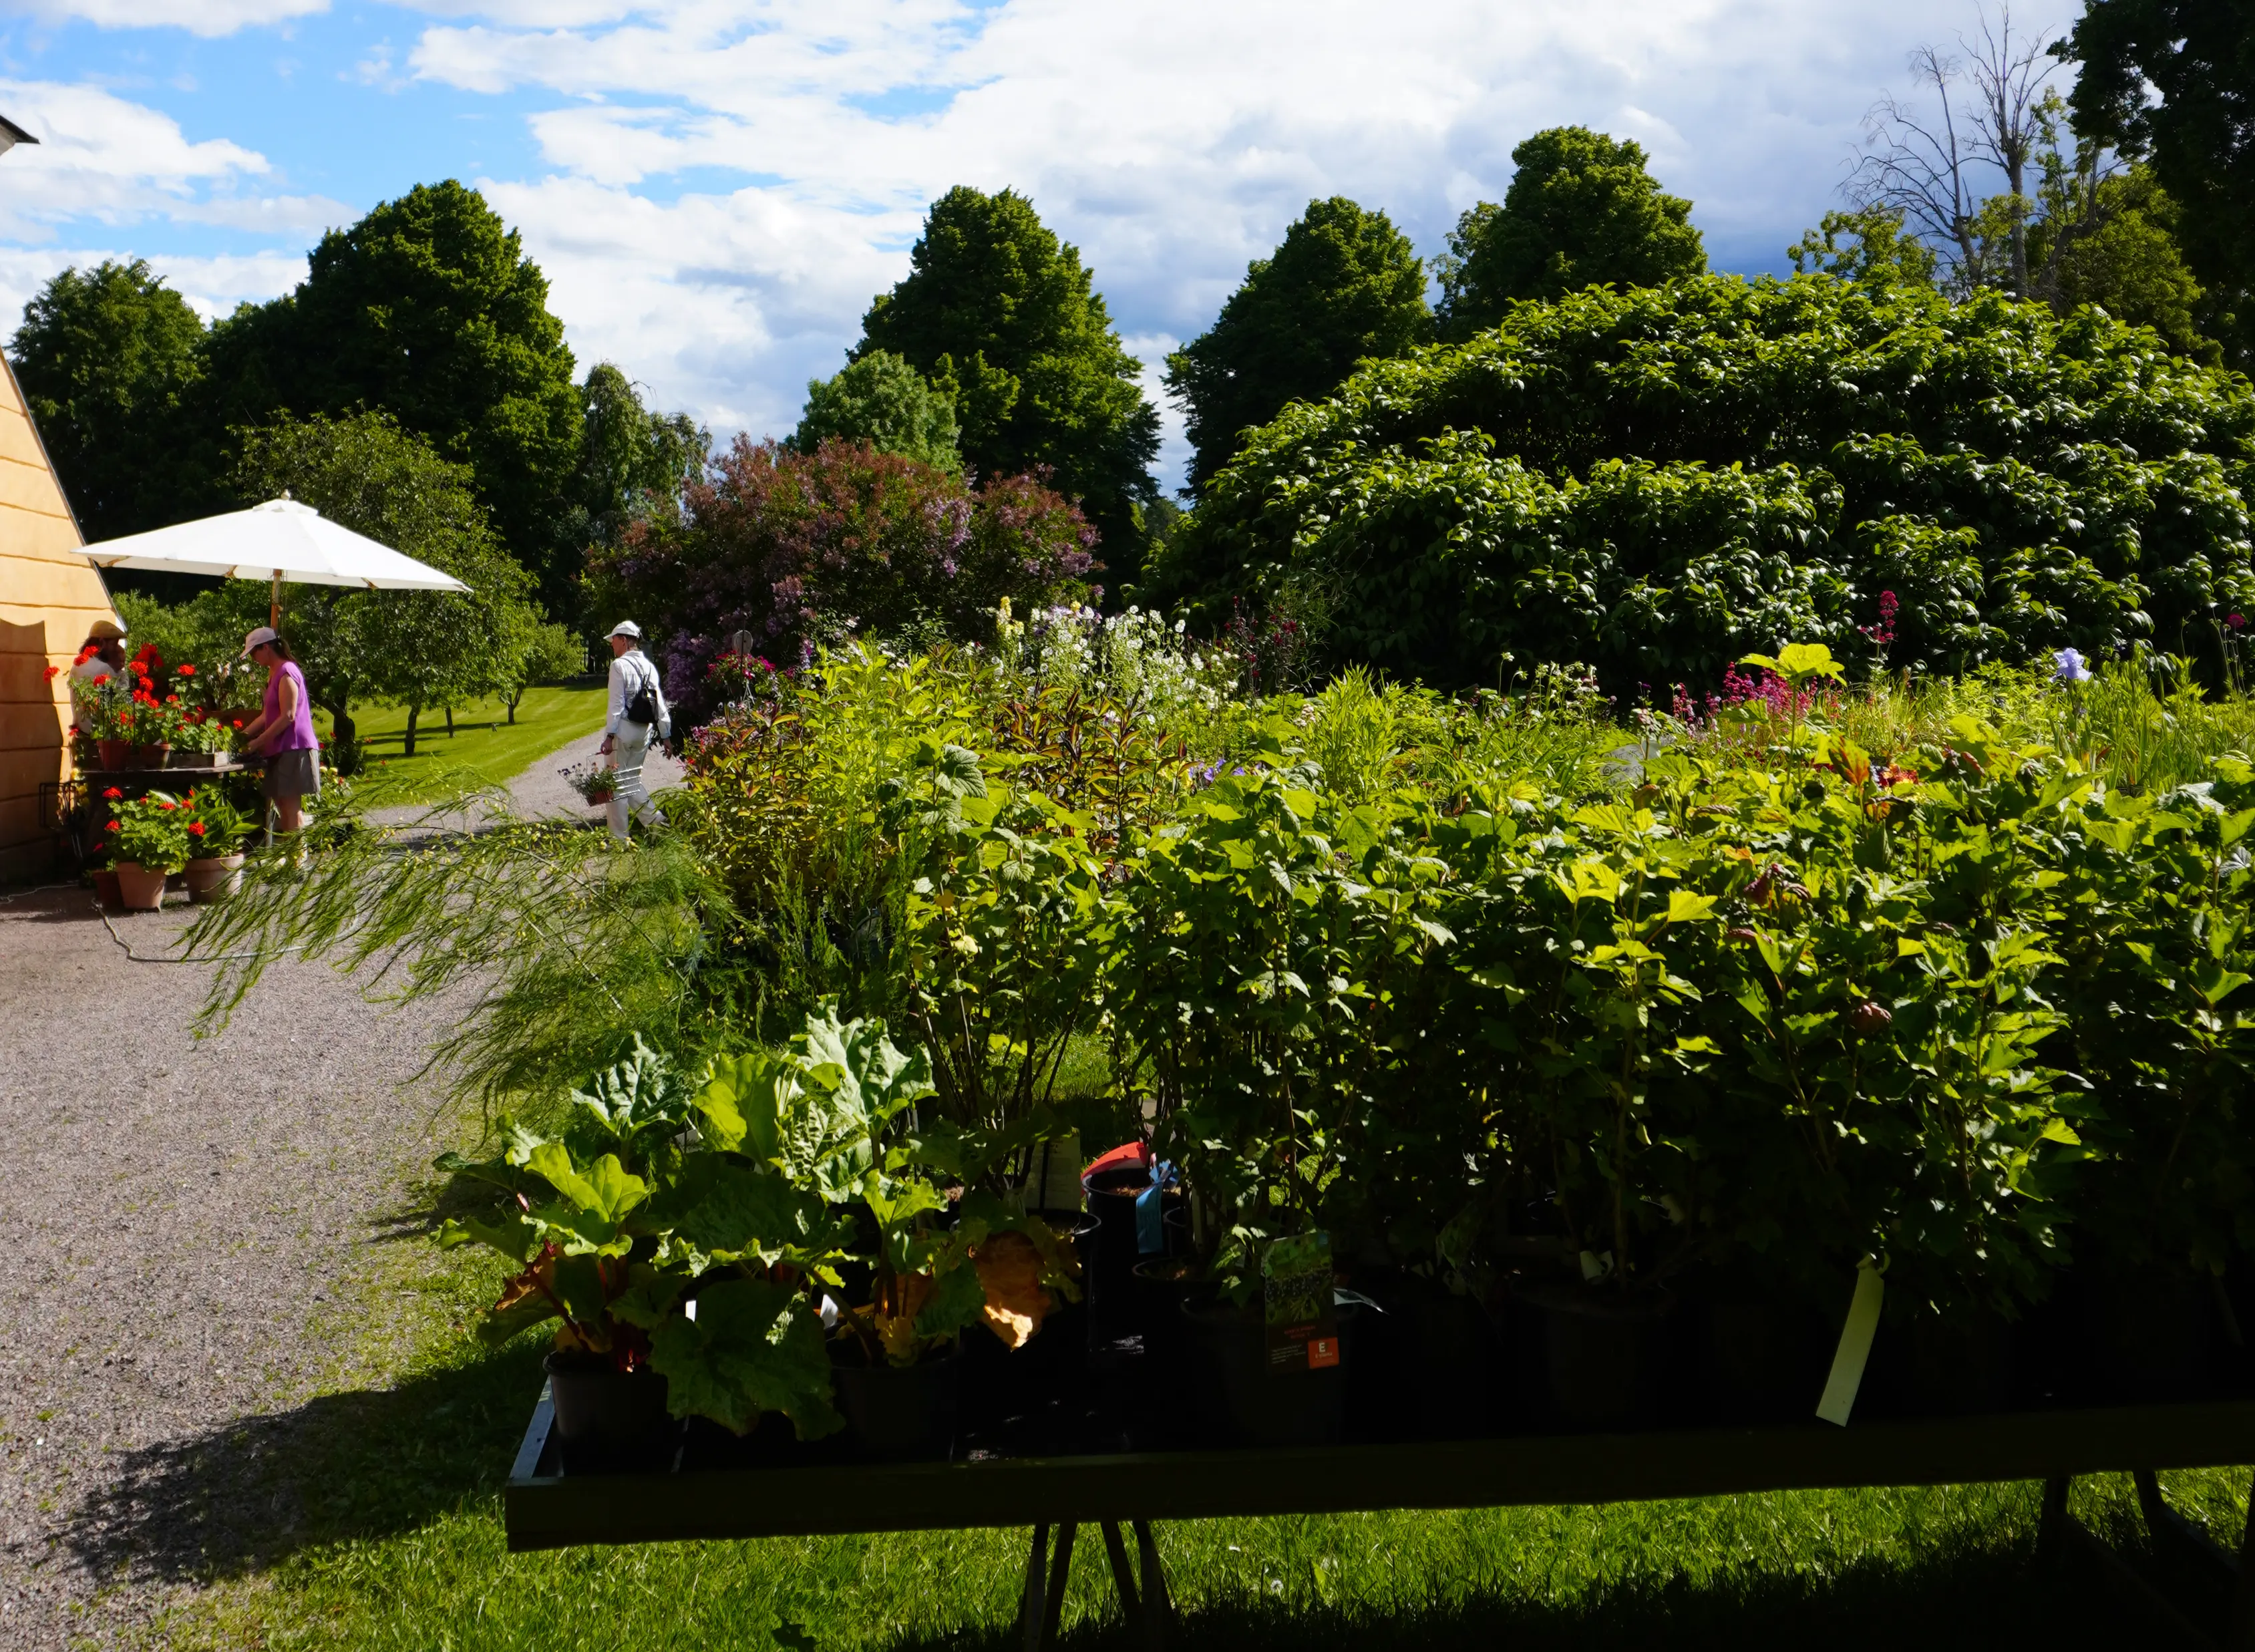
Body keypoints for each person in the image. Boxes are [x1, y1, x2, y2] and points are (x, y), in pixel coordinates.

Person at [232, 626, 321, 836]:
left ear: (266, 648)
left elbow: (288, 716)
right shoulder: (274, 674)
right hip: (281, 749)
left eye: (254, 652)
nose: (253, 658)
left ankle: (297, 864)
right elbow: (266, 715)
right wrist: (240, 737)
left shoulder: (287, 672)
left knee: (292, 809)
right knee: (283, 807)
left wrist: (255, 743)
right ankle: (293, 861)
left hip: (294, 747)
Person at [600, 621, 671, 840]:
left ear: (623, 640)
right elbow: (659, 703)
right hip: (644, 732)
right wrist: (666, 734)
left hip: (623, 731)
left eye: (614, 640)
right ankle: (657, 821)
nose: (612, 645)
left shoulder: (618, 666)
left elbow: (616, 704)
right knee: (631, 780)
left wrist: (610, 736)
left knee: (616, 785)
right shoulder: (650, 666)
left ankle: (619, 840)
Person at [69, 618, 127, 685]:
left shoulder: (77, 666)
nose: (115, 649)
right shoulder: (104, 669)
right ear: (102, 642)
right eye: (114, 644)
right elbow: (122, 692)